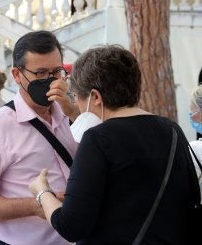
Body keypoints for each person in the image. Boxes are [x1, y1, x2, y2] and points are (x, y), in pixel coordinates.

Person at [29, 45, 195, 244]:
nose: (78, 105)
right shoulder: (172, 130)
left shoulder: (98, 138)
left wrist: (42, 192)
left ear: (96, 97)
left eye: (77, 97)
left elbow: (70, 225)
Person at [0, 30, 79, 245]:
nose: (50, 80)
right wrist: (34, 206)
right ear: (17, 75)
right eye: (40, 73)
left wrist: (77, 115)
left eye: (57, 72)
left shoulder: (71, 116)